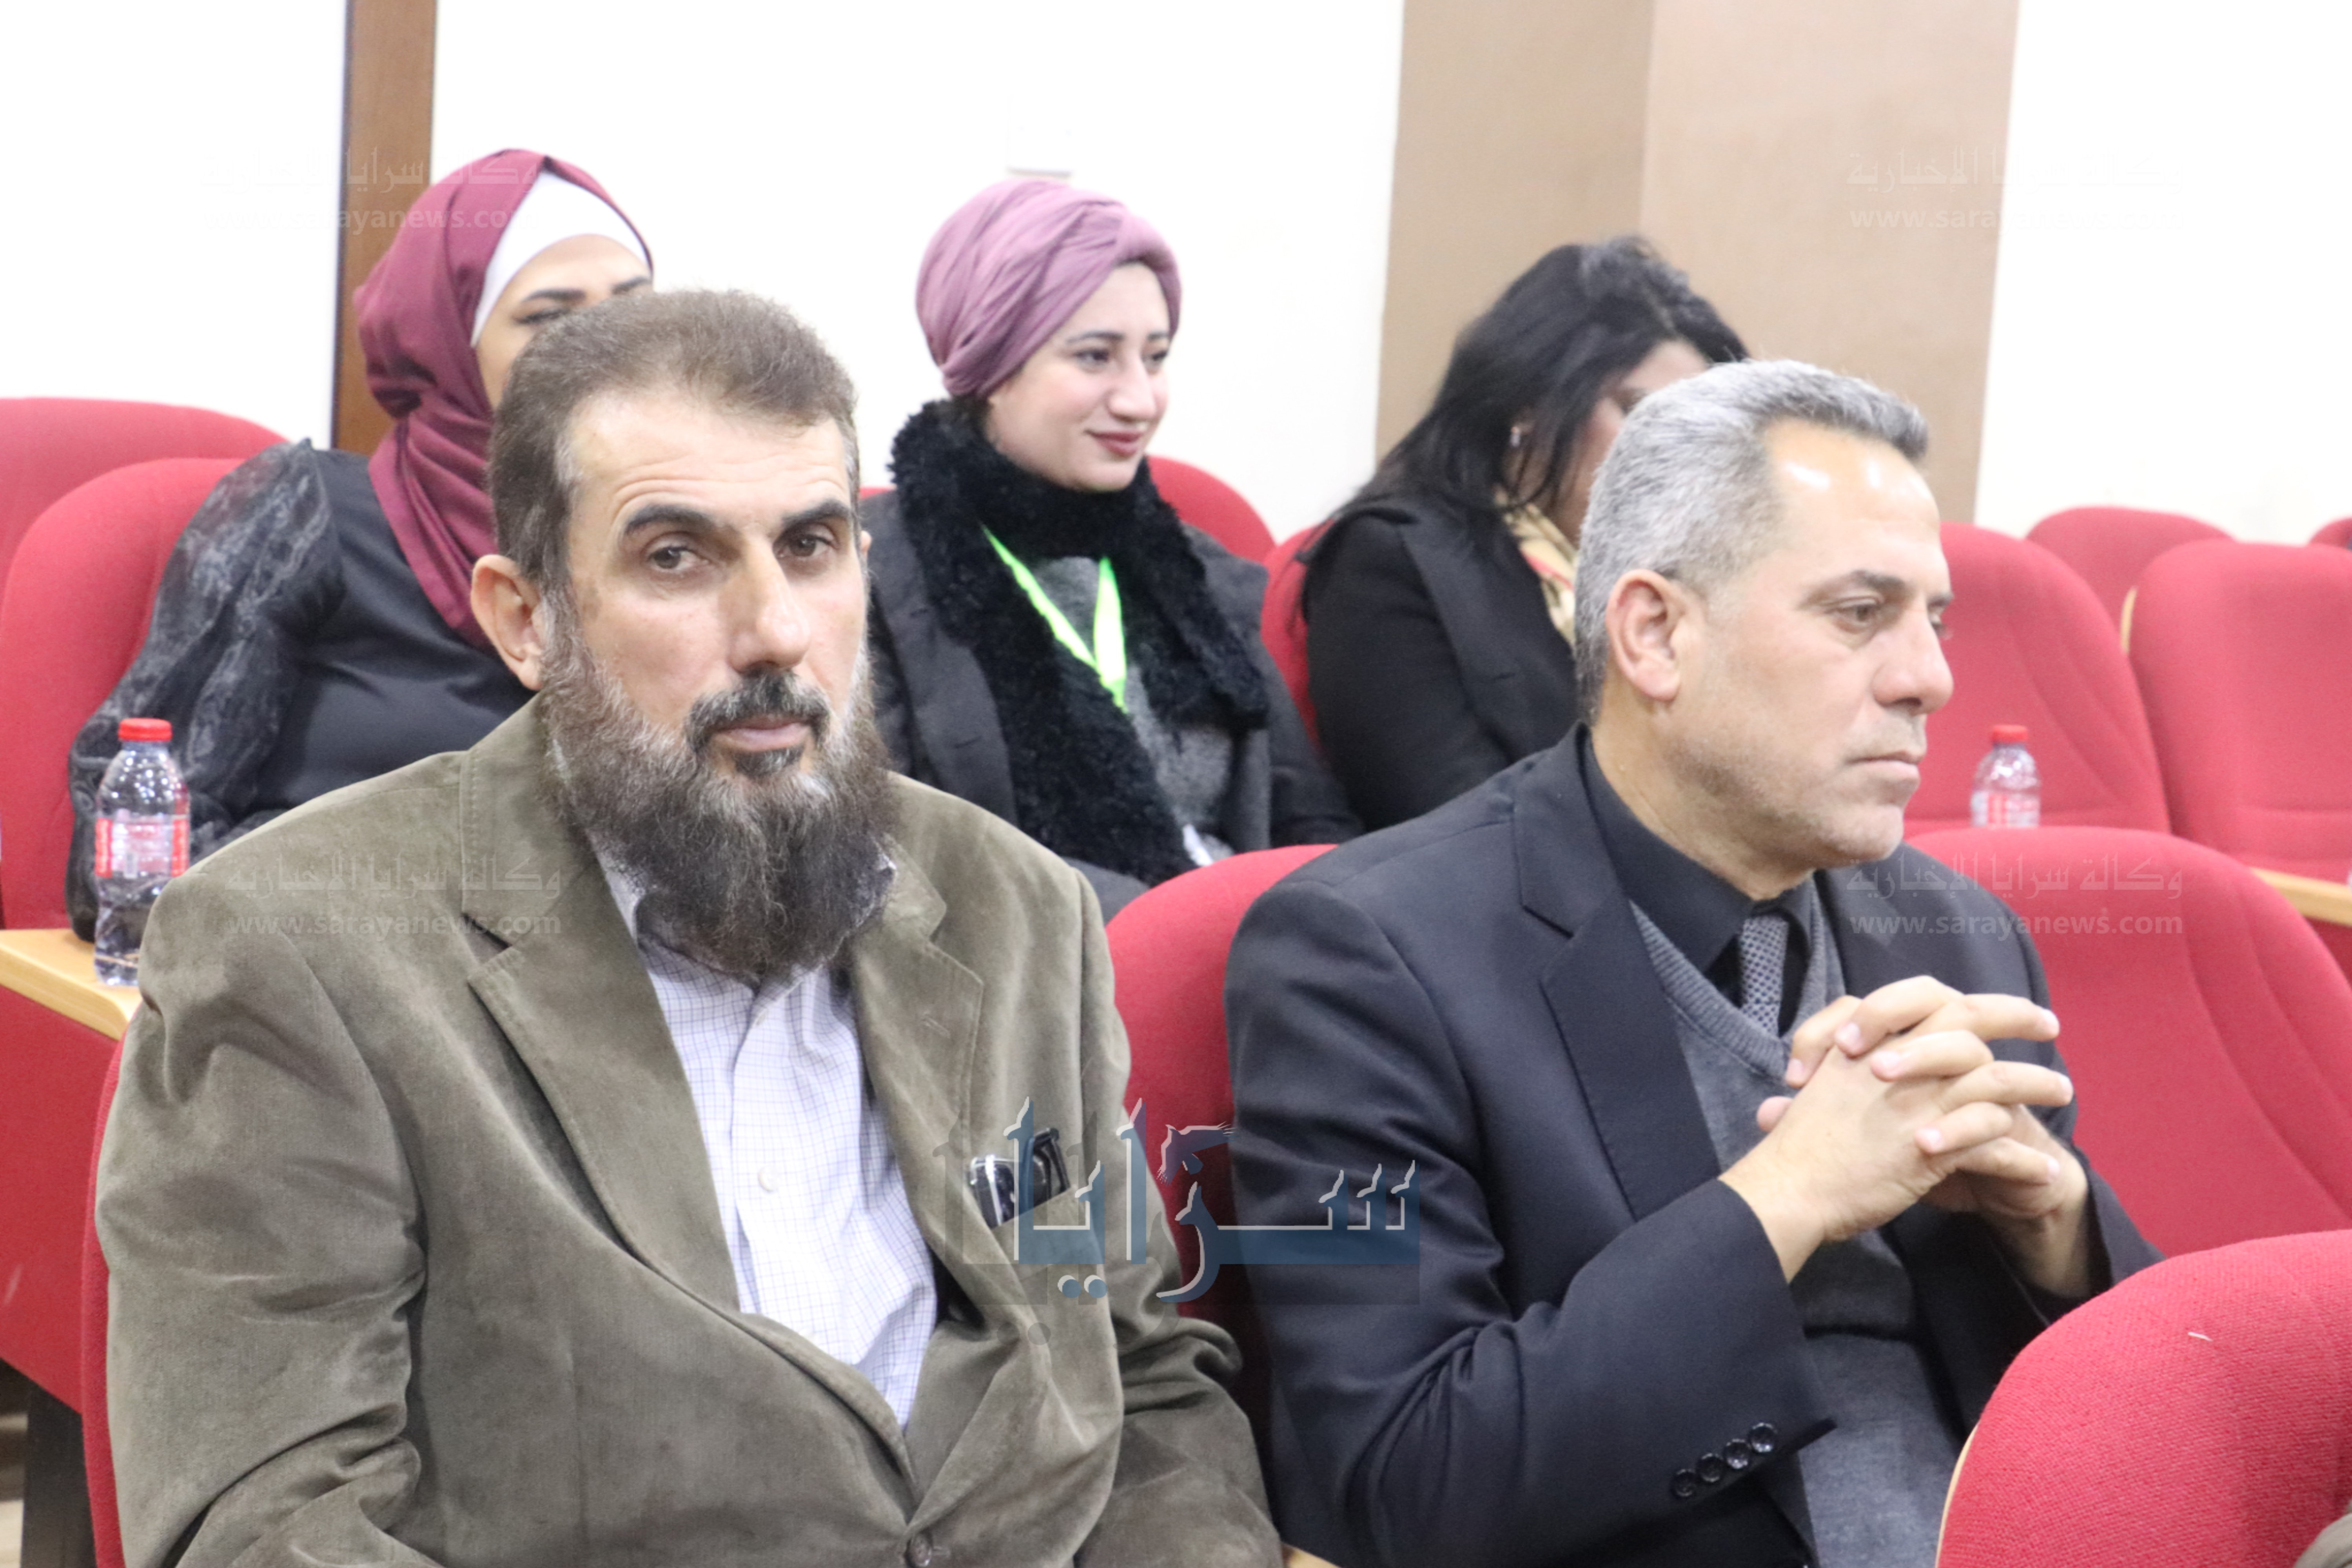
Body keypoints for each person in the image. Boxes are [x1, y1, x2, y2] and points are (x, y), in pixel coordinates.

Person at [97, 289, 1280, 1567]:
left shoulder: (1019, 912)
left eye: (811, 546)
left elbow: (1140, 1382)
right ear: (526, 619)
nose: (776, 632)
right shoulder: (299, 950)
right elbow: (274, 1527)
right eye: (677, 557)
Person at [1225, 361, 2158, 1568]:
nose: (1929, 678)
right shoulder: (1361, 955)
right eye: (1859, 613)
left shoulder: (1957, 930)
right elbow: (1406, 1483)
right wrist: (1786, 1198)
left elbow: (2140, 1403)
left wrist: (2062, 1232)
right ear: (1656, 634)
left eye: (1935, 621)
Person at [65, 147, 650, 936]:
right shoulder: (312, 515)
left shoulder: (698, 541)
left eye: (633, 308)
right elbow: (130, 859)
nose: (607, 347)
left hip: (616, 986)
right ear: (450, 342)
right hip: (336, 977)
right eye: (549, 317)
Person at [865, 179, 1354, 916]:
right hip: (1033, 969)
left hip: (1252, 952)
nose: (1139, 400)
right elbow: (902, 857)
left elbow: (1309, 821)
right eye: (1095, 358)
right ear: (990, 368)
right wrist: (1167, 934)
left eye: (1154, 358)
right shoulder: (875, 583)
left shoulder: (1198, 574)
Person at [1303, 238, 1745, 829]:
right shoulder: (1394, 560)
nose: (1668, 453)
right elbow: (1449, 821)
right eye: (1638, 413)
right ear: (1529, 404)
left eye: (1692, 431)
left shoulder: (1698, 582)